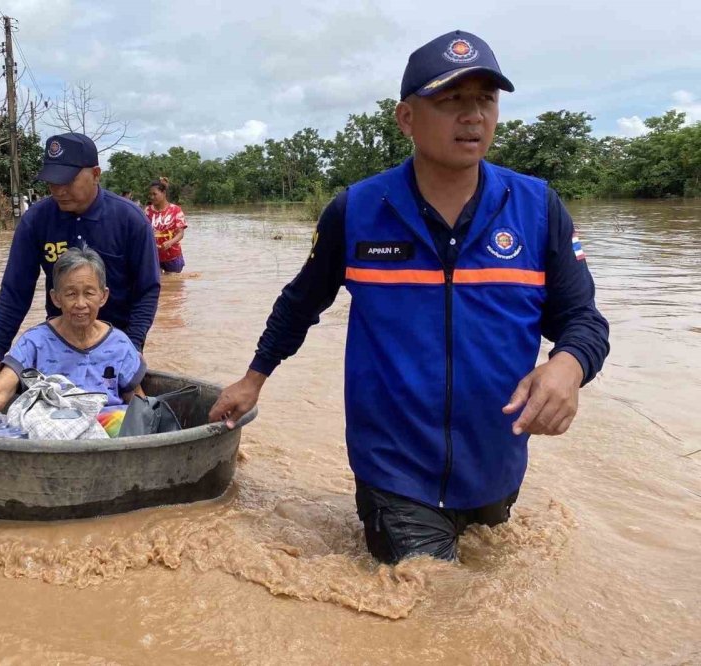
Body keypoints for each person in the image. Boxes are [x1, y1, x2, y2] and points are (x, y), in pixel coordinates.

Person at [208, 30, 610, 564]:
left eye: (485, 100)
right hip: (394, 469)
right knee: (434, 610)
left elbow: (584, 321)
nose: (473, 116)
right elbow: (300, 304)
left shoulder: (537, 209)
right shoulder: (356, 211)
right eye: (451, 101)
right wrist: (253, 378)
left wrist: (568, 366)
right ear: (406, 118)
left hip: (496, 463)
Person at [0, 133, 160, 381]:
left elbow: (147, 288)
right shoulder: (36, 221)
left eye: (68, 181)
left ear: (96, 174)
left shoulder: (130, 220)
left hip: (118, 341)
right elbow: (16, 289)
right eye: (52, 182)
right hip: (61, 341)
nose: (59, 190)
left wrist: (134, 344)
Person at [0, 247, 146, 428]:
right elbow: (1, 390)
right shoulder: (35, 342)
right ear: (56, 298)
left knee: (126, 421)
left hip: (105, 427)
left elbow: (137, 402)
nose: (80, 304)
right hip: (50, 428)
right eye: (70, 294)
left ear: (103, 296)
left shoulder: (119, 343)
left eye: (89, 293)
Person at [145, 177, 188, 274]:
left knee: (174, 284)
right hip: (154, 256)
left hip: (172, 255)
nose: (152, 197)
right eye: (150, 194)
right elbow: (143, 232)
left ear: (163, 193)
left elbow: (180, 234)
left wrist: (170, 242)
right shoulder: (147, 211)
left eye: (154, 194)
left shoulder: (175, 210)